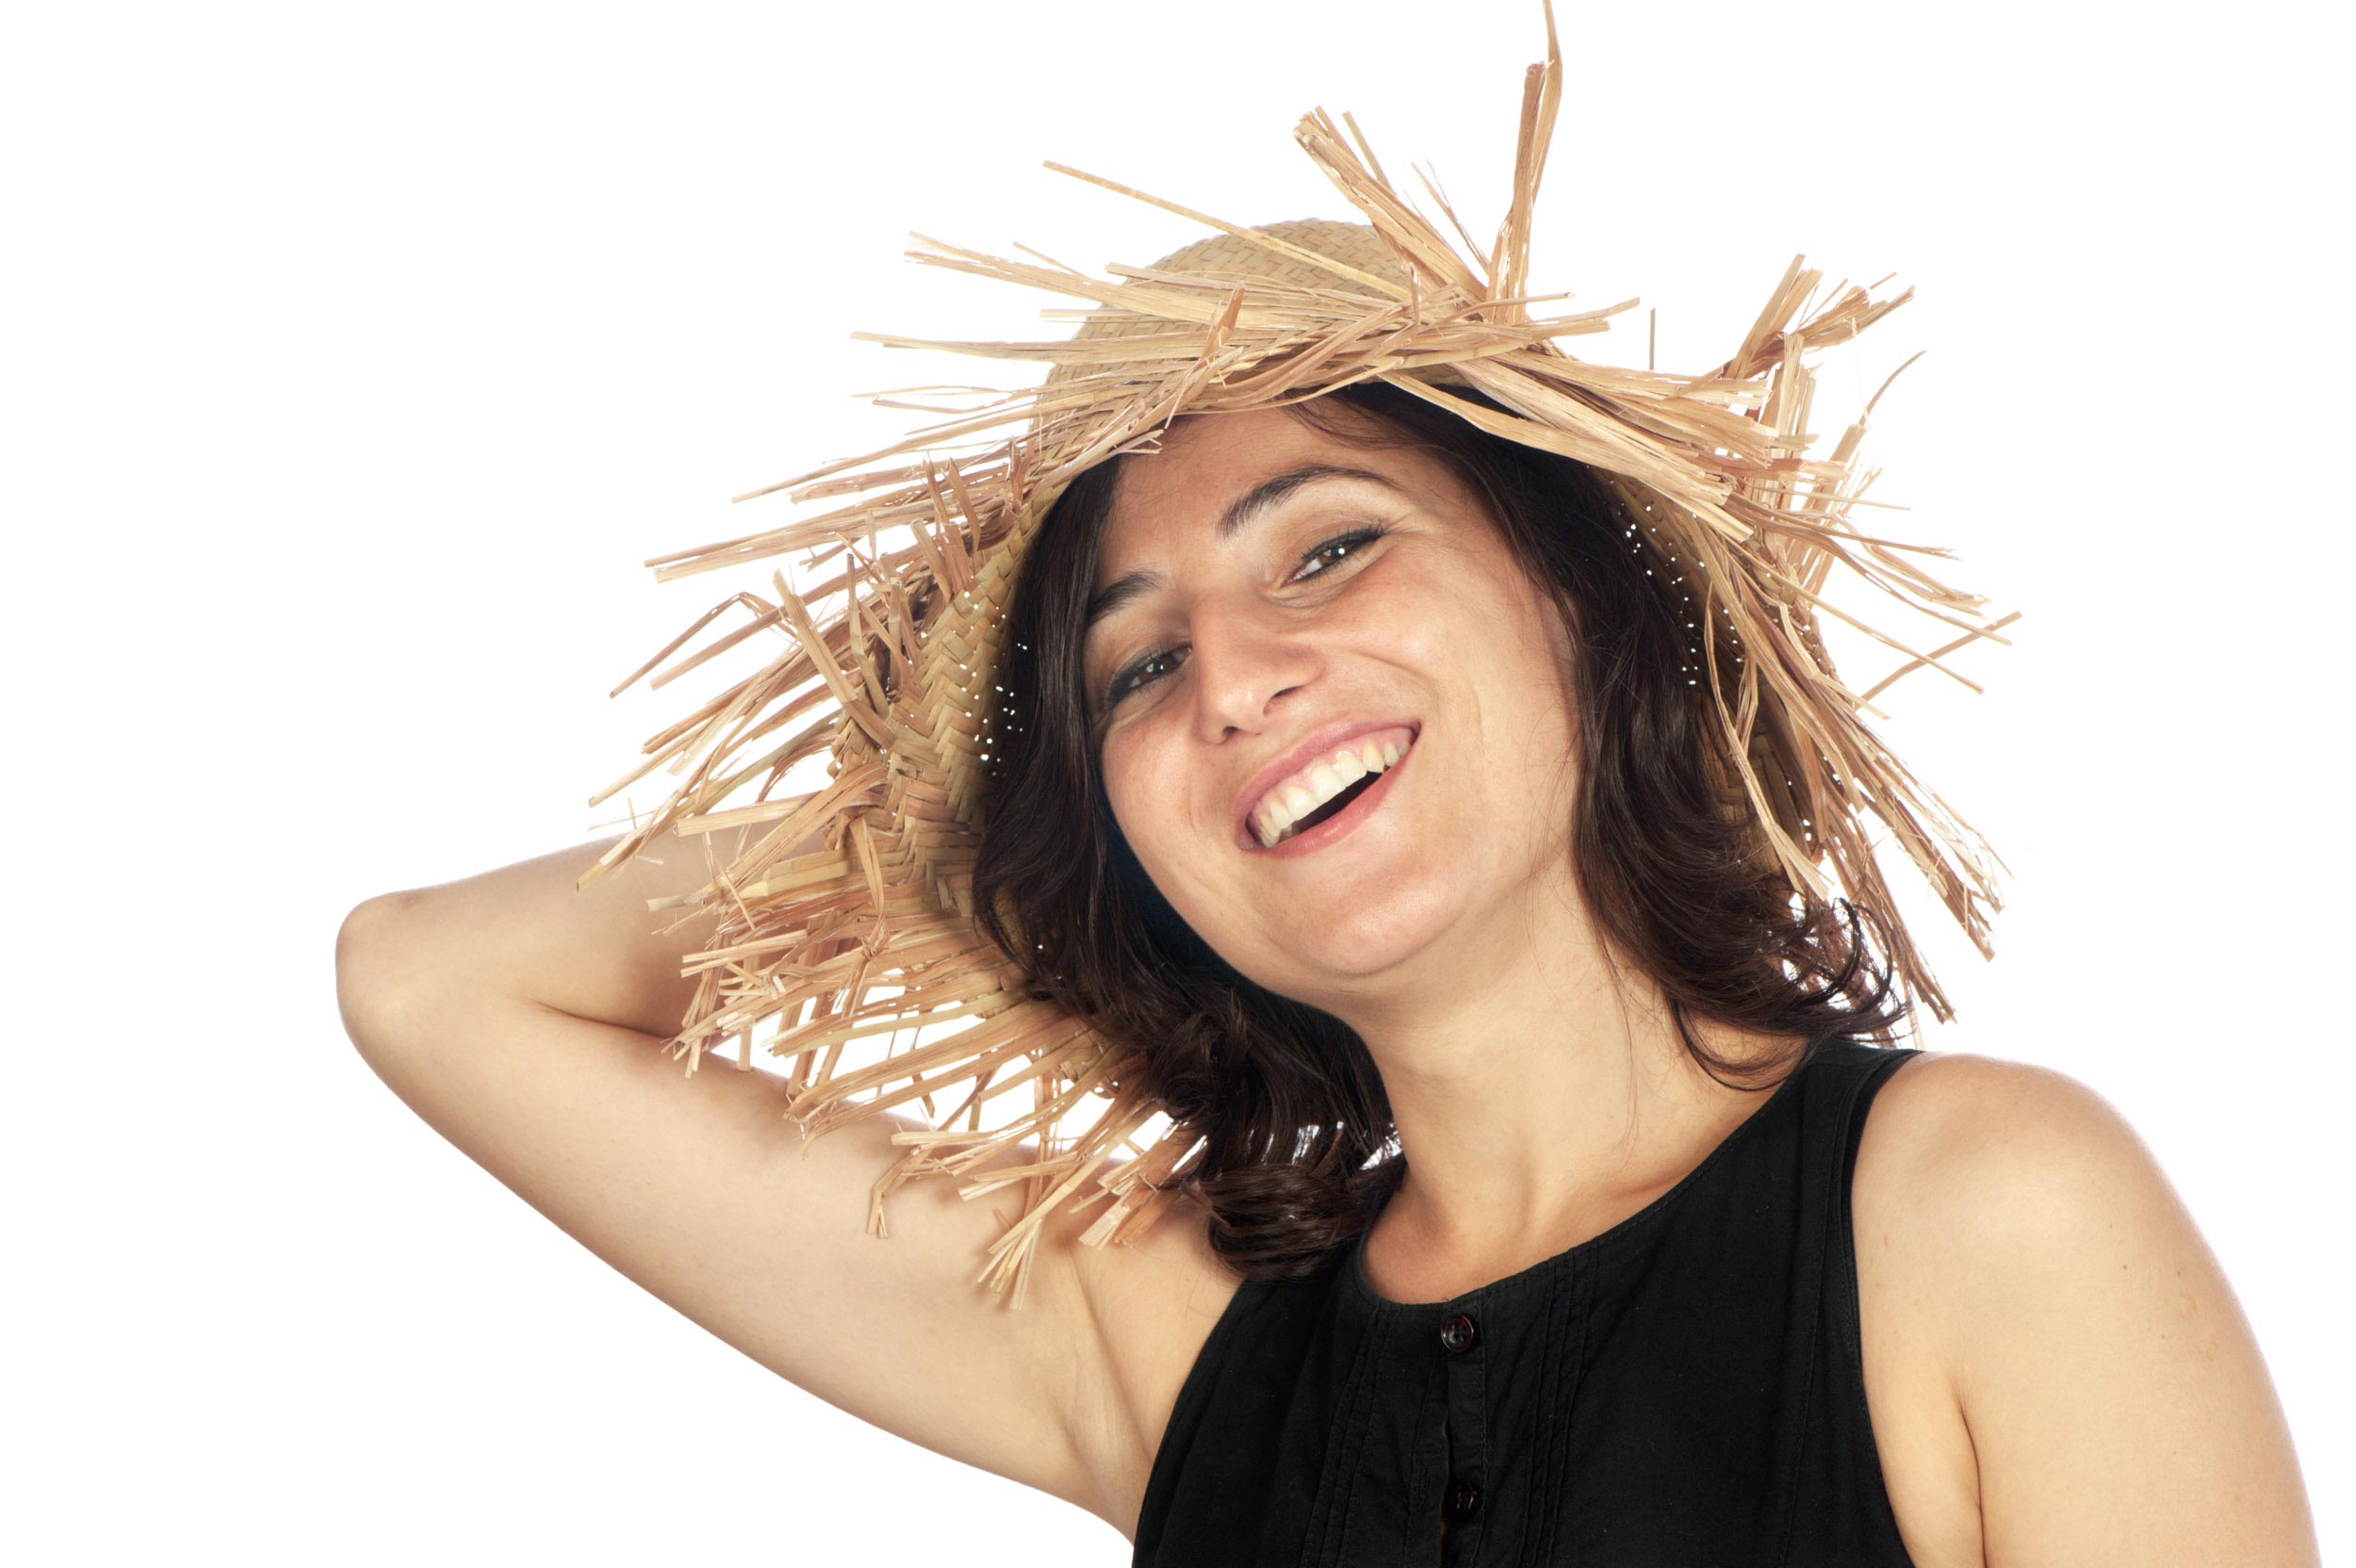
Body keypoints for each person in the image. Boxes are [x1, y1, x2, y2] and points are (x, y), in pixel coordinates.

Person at [333, 8, 2320, 1562]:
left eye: (1326, 548)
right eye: (1138, 662)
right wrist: (956, 811)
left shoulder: (1984, 1212)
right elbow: (431, 984)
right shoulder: (1160, 1333)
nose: (1236, 684)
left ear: (1570, 593)